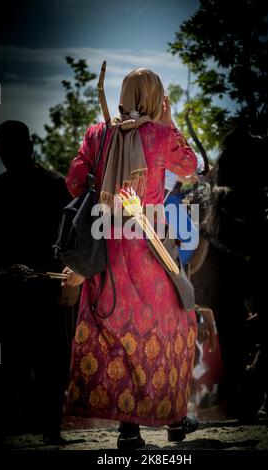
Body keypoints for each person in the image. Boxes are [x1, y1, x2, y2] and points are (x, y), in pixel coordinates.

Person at [63, 68, 199, 449]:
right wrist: (169, 123)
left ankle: (128, 430)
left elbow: (75, 182)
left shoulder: (97, 133)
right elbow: (190, 169)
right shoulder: (160, 135)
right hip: (150, 249)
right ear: (155, 99)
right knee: (174, 330)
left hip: (106, 249)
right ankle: (173, 419)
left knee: (116, 336)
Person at [0, 121, 72, 446]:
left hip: (42, 288)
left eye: (11, 147)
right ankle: (37, 426)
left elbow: (69, 238)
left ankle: (48, 427)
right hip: (14, 291)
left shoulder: (55, 185)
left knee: (46, 360)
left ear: (27, 147)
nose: (8, 154)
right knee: (21, 360)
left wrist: (64, 277)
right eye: (3, 148)